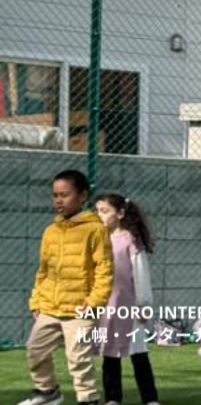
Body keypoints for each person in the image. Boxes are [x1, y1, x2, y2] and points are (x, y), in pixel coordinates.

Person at [18, 169, 112, 405]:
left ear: (82, 196)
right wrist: (36, 301)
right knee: (35, 350)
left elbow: (104, 269)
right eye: (55, 195)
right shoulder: (50, 231)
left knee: (78, 358)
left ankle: (88, 399)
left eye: (65, 195)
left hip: (81, 309)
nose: (59, 200)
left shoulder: (95, 229)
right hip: (49, 307)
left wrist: (94, 302)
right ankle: (47, 392)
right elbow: (43, 271)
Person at [92, 194, 161, 405]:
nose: (99, 215)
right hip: (106, 307)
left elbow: (141, 274)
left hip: (130, 308)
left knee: (138, 353)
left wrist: (143, 305)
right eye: (97, 211)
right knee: (109, 353)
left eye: (105, 211)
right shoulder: (97, 239)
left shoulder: (130, 240)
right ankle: (113, 398)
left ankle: (150, 399)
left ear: (120, 213)